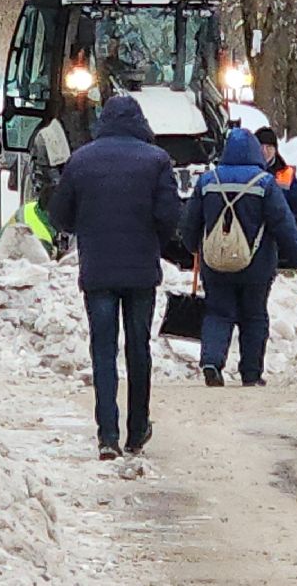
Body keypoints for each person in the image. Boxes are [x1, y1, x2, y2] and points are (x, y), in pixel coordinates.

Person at [50, 95, 182, 460]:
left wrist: (88, 226)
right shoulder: (156, 161)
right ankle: (137, 431)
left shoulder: (81, 160)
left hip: (98, 272)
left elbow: (59, 215)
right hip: (141, 271)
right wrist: (155, 237)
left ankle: (107, 435)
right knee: (138, 349)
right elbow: (170, 216)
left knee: (103, 350)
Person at [182, 128, 297, 388]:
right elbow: (282, 223)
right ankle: (250, 373)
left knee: (218, 312)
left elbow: (190, 222)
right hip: (256, 265)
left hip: (215, 263)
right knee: (254, 315)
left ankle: (212, 362)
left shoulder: (208, 180)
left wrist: (193, 245)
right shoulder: (264, 183)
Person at [254, 126, 297, 268]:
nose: (265, 151)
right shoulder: (249, 170)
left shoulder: (285, 172)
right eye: (261, 146)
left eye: (269, 147)